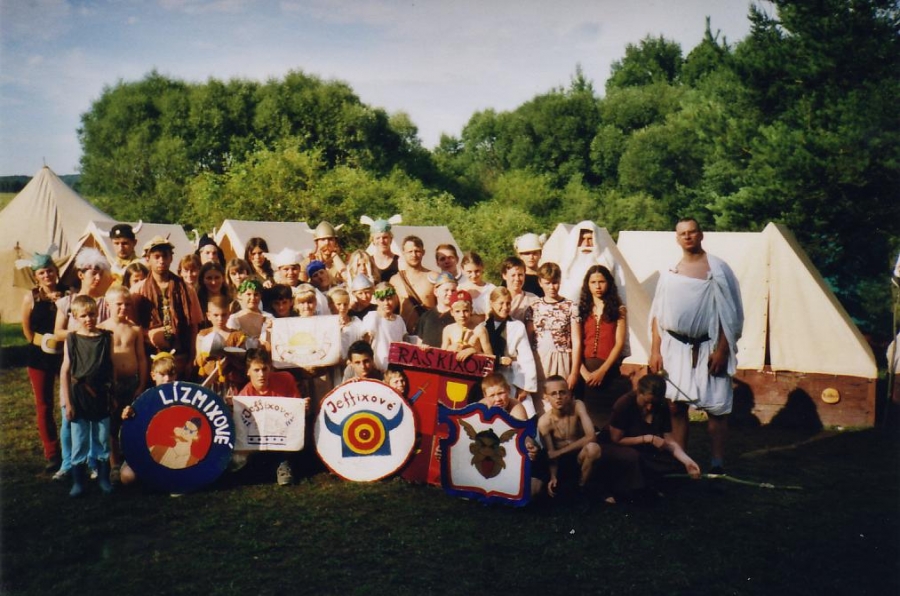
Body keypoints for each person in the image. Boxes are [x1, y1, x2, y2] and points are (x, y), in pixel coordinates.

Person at [649, 217, 744, 473]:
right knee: (675, 405)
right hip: (675, 347)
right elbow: (658, 313)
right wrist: (655, 350)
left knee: (717, 409)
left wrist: (722, 350)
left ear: (701, 235)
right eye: (683, 233)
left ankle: (717, 462)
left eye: (692, 232)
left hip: (709, 347)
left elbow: (729, 314)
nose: (688, 237)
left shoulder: (718, 269)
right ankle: (683, 459)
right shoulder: (670, 271)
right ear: (677, 238)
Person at [53, 247, 113, 480]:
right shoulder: (66, 302)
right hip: (74, 366)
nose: (97, 277)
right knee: (70, 418)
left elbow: (107, 330)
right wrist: (79, 333)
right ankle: (67, 463)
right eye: (92, 272)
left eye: (100, 273)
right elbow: (57, 332)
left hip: (96, 370)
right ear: (80, 274)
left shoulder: (104, 304)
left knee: (95, 420)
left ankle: (93, 462)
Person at [599, 374, 701, 500]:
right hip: (616, 445)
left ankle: (644, 484)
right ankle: (629, 489)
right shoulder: (624, 404)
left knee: (676, 464)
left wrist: (687, 461)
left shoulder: (662, 405)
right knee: (633, 457)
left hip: (642, 448)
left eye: (654, 403)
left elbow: (669, 439)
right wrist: (648, 438)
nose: (650, 407)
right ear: (639, 393)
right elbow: (616, 439)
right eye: (646, 402)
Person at [59, 295, 115, 497]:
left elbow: (111, 367)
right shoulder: (72, 339)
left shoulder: (106, 337)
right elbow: (65, 371)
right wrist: (68, 402)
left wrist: (113, 394)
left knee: (102, 438)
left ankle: (104, 479)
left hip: (101, 394)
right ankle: (79, 482)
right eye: (83, 315)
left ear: (97, 313)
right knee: (80, 439)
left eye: (92, 314)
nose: (88, 319)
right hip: (79, 395)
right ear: (75, 316)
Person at [19, 249, 66, 473]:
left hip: (65, 355)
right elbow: (26, 329)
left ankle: (74, 449)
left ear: (56, 271)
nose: (47, 275)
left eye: (49, 271)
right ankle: (52, 453)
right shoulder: (30, 297)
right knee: (44, 405)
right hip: (39, 356)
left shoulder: (68, 293)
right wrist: (40, 343)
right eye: (41, 272)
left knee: (69, 402)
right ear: (36, 276)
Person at [131, 236, 204, 381]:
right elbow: (132, 328)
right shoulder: (137, 290)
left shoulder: (186, 289)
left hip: (180, 357)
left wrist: (192, 358)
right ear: (148, 259)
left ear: (171, 258)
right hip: (151, 359)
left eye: (165, 256)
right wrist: (150, 334)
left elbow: (193, 327)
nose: (161, 260)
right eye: (156, 257)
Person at [99, 286, 148, 482]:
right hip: (111, 384)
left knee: (131, 420)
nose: (123, 308)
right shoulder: (102, 329)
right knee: (111, 424)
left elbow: (142, 358)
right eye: (118, 304)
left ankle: (132, 459)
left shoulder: (134, 329)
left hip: (131, 382)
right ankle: (114, 464)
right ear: (107, 304)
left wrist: (141, 383)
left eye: (127, 304)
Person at [235, 347, 303, 485]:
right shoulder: (244, 396)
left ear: (270, 368)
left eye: (264, 369)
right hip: (259, 439)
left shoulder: (285, 379)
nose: (261, 374)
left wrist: (303, 406)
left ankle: (283, 464)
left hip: (283, 434)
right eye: (256, 370)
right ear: (248, 372)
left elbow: (296, 412)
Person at [525, 262, 583, 413]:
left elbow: (577, 341)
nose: (552, 287)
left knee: (561, 403)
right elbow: (528, 340)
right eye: (547, 283)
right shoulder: (533, 307)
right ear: (540, 282)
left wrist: (574, 372)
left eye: (555, 282)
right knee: (542, 405)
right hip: (540, 361)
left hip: (562, 360)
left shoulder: (571, 306)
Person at [578, 264, 630, 426]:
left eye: (601, 282)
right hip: (585, 370)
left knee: (609, 419)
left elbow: (619, 343)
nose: (598, 286)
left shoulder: (619, 310)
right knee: (587, 419)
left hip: (608, 369)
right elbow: (576, 342)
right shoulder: (581, 309)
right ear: (587, 284)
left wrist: (602, 371)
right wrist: (583, 372)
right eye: (593, 282)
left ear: (609, 283)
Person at [537, 375, 602, 499]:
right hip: (563, 463)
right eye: (553, 394)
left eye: (562, 392)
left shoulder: (578, 405)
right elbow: (551, 454)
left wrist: (559, 452)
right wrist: (553, 476)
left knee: (593, 448)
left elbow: (591, 437)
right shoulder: (544, 422)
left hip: (581, 455)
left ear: (569, 393)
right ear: (546, 397)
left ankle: (582, 487)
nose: (558, 397)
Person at [119, 351, 178, 486]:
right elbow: (133, 428)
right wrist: (127, 415)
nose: (167, 379)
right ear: (153, 375)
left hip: (171, 450)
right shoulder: (145, 398)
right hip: (147, 449)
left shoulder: (184, 397)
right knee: (127, 476)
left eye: (171, 374)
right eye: (162, 374)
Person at [484, 287, 538, 417]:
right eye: (501, 303)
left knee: (524, 414)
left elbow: (526, 358)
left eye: (508, 303)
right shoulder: (484, 326)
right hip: (491, 379)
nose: (505, 307)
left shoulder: (517, 326)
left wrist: (524, 386)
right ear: (491, 303)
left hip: (513, 377)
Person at [559, 220, 628, 305]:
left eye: (590, 239)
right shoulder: (565, 265)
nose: (586, 244)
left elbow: (620, 292)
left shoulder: (610, 263)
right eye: (582, 239)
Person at [195, 294, 247, 395]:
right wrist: (207, 354)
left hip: (231, 384)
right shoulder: (203, 335)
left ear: (229, 314)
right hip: (209, 382)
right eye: (216, 315)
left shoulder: (237, 336)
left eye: (224, 315)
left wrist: (229, 353)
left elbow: (243, 361)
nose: (220, 319)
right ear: (208, 316)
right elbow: (198, 361)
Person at [390, 235, 436, 334]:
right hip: (404, 333)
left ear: (423, 252)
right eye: (410, 251)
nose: (414, 255)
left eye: (417, 251)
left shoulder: (434, 277)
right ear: (403, 253)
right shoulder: (395, 280)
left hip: (428, 332)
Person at [361, 283, 407, 371]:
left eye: (389, 299)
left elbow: (404, 341)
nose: (386, 303)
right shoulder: (373, 316)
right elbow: (365, 343)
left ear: (395, 298)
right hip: (378, 368)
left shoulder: (399, 319)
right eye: (382, 300)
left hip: (396, 368)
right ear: (377, 301)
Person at [441, 289, 492, 361]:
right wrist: (450, 348)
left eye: (465, 311)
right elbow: (441, 356)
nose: (462, 315)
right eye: (457, 311)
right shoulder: (448, 330)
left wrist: (474, 351)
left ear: (471, 310)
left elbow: (490, 358)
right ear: (452, 312)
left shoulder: (480, 330)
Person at [227, 279, 273, 350]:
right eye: (248, 294)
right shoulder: (234, 318)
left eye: (256, 294)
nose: (253, 298)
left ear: (260, 296)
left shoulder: (268, 317)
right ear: (240, 296)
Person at [414, 271, 457, 347]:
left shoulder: (458, 317)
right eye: (446, 290)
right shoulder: (426, 316)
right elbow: (419, 343)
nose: (450, 293)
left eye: (453, 290)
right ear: (436, 292)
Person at [303, 221, 346, 287]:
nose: (327, 243)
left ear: (335, 241)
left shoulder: (344, 260)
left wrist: (335, 256)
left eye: (330, 239)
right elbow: (302, 285)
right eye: (323, 239)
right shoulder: (307, 262)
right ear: (317, 242)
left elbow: (347, 277)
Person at [361, 215, 402, 283]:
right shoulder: (368, 262)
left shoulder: (400, 261)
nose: (381, 241)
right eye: (378, 238)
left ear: (391, 239)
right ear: (373, 241)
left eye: (385, 237)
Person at [458, 251, 495, 319]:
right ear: (462, 270)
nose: (474, 275)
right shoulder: (459, 289)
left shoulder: (491, 289)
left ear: (482, 268)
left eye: (477, 271)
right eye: (469, 272)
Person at [500, 256, 537, 322]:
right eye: (513, 275)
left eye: (520, 275)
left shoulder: (533, 299)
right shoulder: (496, 297)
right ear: (504, 276)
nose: (517, 279)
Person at [514, 232, 546, 297]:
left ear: (540, 254)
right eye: (527, 253)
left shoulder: (546, 276)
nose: (531, 257)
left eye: (534, 253)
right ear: (520, 255)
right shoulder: (514, 278)